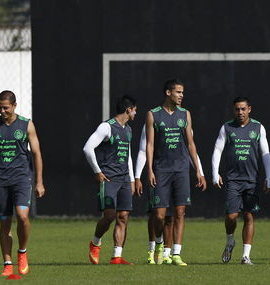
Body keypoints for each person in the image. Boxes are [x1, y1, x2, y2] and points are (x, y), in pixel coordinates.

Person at [0, 90, 45, 276]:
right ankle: (7, 264)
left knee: (22, 217)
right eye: (0, 107)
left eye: (6, 108)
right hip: (0, 180)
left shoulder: (26, 124)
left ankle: (22, 252)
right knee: (5, 223)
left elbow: (36, 153)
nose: (2, 111)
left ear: (14, 106)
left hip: (21, 178)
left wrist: (39, 181)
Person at [146, 79, 207, 266]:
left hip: (181, 169)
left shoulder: (185, 114)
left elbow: (190, 144)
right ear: (168, 92)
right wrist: (150, 170)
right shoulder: (153, 114)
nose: (181, 95)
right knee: (159, 215)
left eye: (182, 92)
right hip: (161, 169)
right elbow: (150, 144)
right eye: (178, 92)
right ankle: (159, 243)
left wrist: (198, 170)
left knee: (180, 212)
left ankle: (176, 253)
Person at [212, 96, 270, 265]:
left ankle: (246, 256)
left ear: (249, 109)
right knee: (231, 216)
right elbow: (217, 150)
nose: (240, 112)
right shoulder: (227, 127)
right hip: (233, 180)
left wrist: (269, 177)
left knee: (249, 216)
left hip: (252, 180)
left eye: (243, 109)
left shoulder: (258, 127)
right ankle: (230, 240)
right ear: (234, 110)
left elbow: (265, 153)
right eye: (237, 109)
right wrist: (215, 173)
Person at [134, 124, 205, 264]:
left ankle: (169, 253)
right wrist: (137, 176)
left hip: (179, 173)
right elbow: (143, 150)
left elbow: (190, 149)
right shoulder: (153, 119)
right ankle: (153, 249)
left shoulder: (184, 121)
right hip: (159, 173)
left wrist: (200, 172)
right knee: (157, 214)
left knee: (174, 215)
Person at [84, 95, 137, 265]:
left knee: (123, 216)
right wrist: (97, 171)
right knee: (109, 216)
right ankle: (95, 243)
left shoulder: (128, 130)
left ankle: (117, 256)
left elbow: (128, 156)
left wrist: (132, 179)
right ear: (128, 109)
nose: (136, 113)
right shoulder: (106, 127)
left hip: (124, 179)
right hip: (109, 178)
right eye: (135, 110)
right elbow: (87, 148)